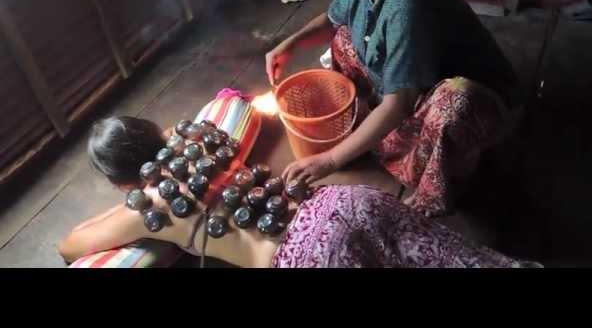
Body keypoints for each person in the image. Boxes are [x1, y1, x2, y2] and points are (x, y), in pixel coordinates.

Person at [267, 0, 521, 217]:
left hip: (478, 103)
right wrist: (288, 44)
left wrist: (329, 161)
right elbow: (332, 22)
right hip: (413, 82)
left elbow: (398, 104)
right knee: (344, 39)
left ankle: (434, 191)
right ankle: (370, 130)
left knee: (456, 104)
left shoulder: (408, 7)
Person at [58, 116, 541, 268]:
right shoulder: (201, 137)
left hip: (307, 255)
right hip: (340, 202)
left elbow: (72, 244)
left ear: (121, 181)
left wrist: (129, 201)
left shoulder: (149, 207)